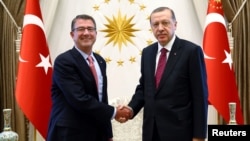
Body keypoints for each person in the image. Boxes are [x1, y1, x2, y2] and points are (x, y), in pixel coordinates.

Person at [118, 7, 208, 141]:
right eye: (155, 24)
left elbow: (200, 96)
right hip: (151, 131)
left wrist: (199, 135)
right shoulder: (147, 53)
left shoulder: (191, 51)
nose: (160, 28)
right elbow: (144, 88)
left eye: (165, 23)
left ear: (175, 25)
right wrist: (131, 109)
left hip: (181, 132)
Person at [46, 14, 130, 141]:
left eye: (90, 29)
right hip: (70, 133)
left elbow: (102, 99)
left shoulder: (100, 61)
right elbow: (79, 99)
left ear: (96, 33)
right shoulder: (64, 61)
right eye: (80, 29)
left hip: (96, 133)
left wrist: (108, 134)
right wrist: (115, 112)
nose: (86, 33)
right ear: (72, 34)